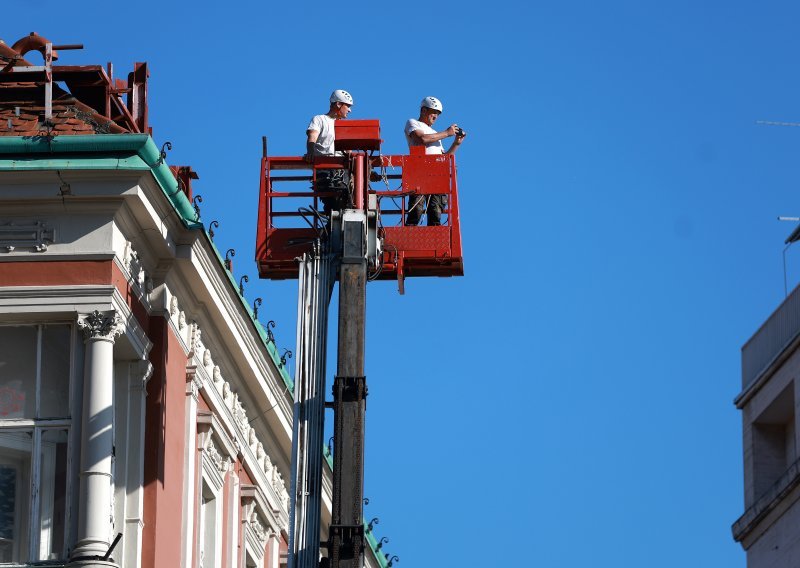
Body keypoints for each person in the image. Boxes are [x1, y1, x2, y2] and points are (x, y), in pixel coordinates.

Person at [404, 96, 467, 226]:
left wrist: (456, 143)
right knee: (416, 209)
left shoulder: (434, 134)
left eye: (438, 114)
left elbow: (444, 158)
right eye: (434, 112)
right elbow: (421, 139)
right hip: (420, 172)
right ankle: (410, 233)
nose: (436, 116)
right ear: (423, 110)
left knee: (435, 212)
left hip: (436, 175)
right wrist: (446, 133)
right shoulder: (413, 123)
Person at [305, 89, 354, 213]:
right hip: (325, 170)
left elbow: (349, 152)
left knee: (350, 199)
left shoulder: (344, 126)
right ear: (338, 104)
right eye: (347, 106)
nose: (349, 110)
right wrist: (310, 153)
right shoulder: (320, 119)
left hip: (341, 170)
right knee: (336, 202)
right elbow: (312, 138)